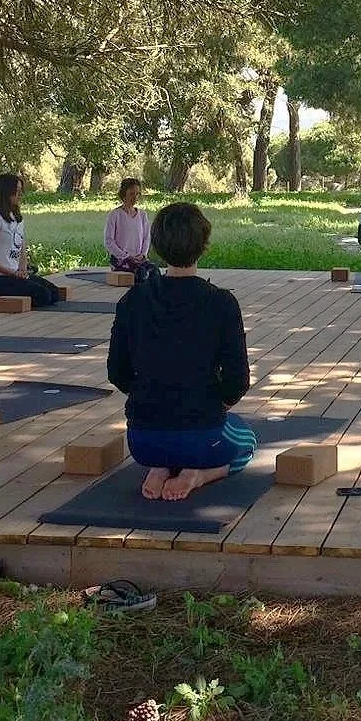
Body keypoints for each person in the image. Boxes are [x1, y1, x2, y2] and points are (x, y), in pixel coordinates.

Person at [108, 202, 255, 501]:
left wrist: (151, 394)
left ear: (157, 247)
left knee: (172, 437)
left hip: (142, 441)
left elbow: (117, 372)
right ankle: (198, 474)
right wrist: (217, 404)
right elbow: (238, 380)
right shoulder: (222, 303)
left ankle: (161, 467)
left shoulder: (132, 300)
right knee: (248, 441)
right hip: (201, 434)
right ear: (204, 245)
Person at [0, 173, 63, 306]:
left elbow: (21, 250)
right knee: (43, 296)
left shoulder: (17, 218)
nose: (20, 195)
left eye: (20, 191)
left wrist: (22, 271)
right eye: (16, 191)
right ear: (6, 192)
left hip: (13, 275)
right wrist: (13, 273)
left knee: (54, 293)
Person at [104, 178, 159, 283]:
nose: (135, 197)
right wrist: (127, 256)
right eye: (132, 194)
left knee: (154, 272)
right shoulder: (115, 215)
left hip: (139, 260)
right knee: (141, 274)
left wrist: (143, 255)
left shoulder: (142, 215)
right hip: (121, 260)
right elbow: (109, 241)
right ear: (123, 194)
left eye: (137, 194)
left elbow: (146, 238)